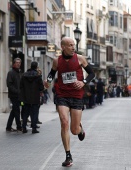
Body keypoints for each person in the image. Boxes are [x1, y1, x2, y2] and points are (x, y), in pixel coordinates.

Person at [44, 37, 95, 167]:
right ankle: (68, 155)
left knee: (74, 130)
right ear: (63, 47)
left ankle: (80, 129)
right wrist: (48, 81)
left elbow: (91, 74)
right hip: (62, 95)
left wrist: (83, 82)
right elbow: (51, 74)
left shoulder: (80, 58)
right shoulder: (57, 61)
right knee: (64, 122)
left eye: (74, 45)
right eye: (70, 45)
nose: (73, 47)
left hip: (77, 95)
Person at [19, 61, 44, 134]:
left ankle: (24, 128)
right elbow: (41, 87)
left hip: (25, 97)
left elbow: (21, 86)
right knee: (34, 113)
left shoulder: (24, 75)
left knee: (25, 113)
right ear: (36, 67)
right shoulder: (38, 76)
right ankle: (34, 128)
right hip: (35, 98)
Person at [6, 58, 22, 132]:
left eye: (19, 62)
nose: (18, 64)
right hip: (13, 95)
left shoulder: (19, 72)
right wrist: (16, 91)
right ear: (14, 63)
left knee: (14, 111)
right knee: (17, 110)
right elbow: (9, 84)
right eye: (17, 62)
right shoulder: (11, 72)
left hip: (18, 95)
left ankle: (8, 127)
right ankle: (19, 126)